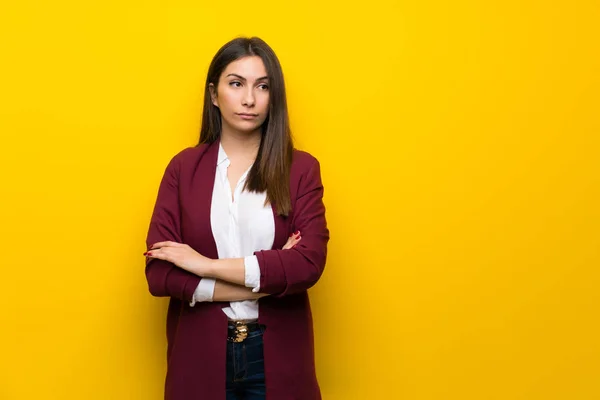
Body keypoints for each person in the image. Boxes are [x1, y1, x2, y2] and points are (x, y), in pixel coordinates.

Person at [143, 36, 329, 400]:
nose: (249, 99)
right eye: (236, 83)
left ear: (274, 97)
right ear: (214, 94)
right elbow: (159, 273)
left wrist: (203, 265)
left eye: (262, 86)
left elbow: (308, 264)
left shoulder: (300, 169)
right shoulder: (184, 169)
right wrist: (272, 278)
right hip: (200, 358)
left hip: (278, 358)